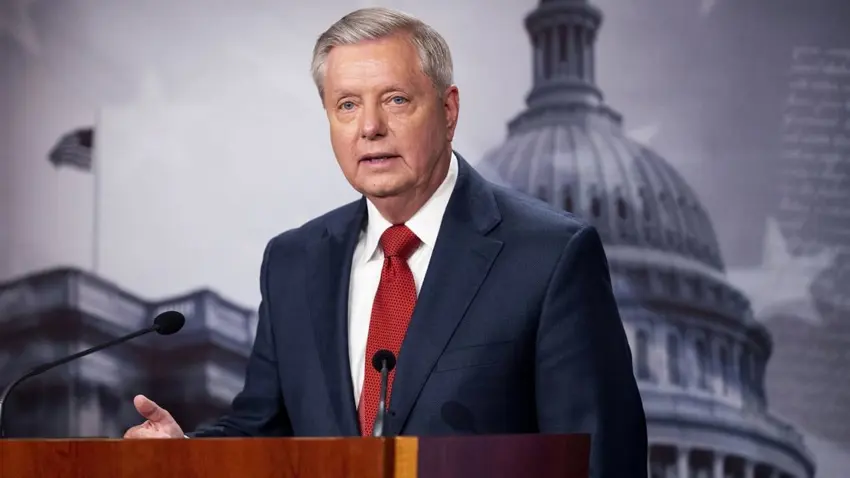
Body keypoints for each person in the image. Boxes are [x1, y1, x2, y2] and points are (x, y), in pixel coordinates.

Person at [123, 6, 647, 477]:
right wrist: (183, 452)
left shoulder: (550, 255)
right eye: (347, 105)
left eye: (396, 100)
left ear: (448, 110)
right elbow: (264, 430)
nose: (370, 127)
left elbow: (599, 458)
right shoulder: (292, 262)